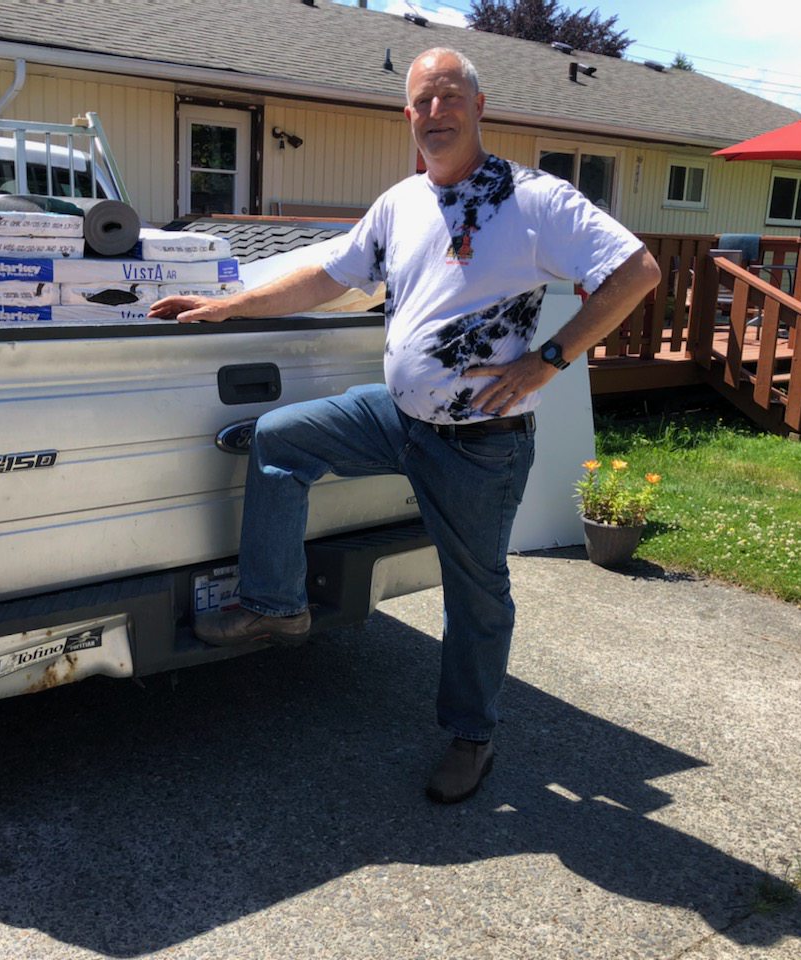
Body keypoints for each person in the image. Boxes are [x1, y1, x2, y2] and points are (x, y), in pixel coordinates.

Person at [149, 47, 660, 803]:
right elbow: (329, 276)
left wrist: (549, 359)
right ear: (408, 115)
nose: (434, 114)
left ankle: (471, 737)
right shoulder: (401, 203)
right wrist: (224, 306)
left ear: (479, 107)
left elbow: (637, 272)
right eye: (421, 102)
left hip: (480, 444)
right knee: (281, 440)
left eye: (448, 98)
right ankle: (275, 603)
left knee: (475, 595)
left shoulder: (534, 200)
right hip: (398, 419)